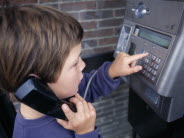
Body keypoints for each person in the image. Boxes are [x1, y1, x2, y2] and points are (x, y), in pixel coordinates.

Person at [0, 3, 148, 138]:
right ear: (37, 83)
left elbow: (88, 88)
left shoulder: (60, 96)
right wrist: (86, 133)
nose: (83, 65)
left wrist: (111, 72)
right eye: (74, 63)